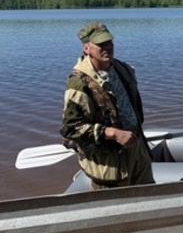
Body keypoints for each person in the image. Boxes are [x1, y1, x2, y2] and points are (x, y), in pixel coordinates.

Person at [61, 22, 155, 189]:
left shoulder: (121, 68)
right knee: (116, 210)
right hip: (109, 163)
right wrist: (112, 133)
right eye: (100, 44)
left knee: (148, 199)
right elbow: (71, 129)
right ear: (86, 48)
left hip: (137, 150)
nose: (107, 48)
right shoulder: (79, 83)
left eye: (109, 43)